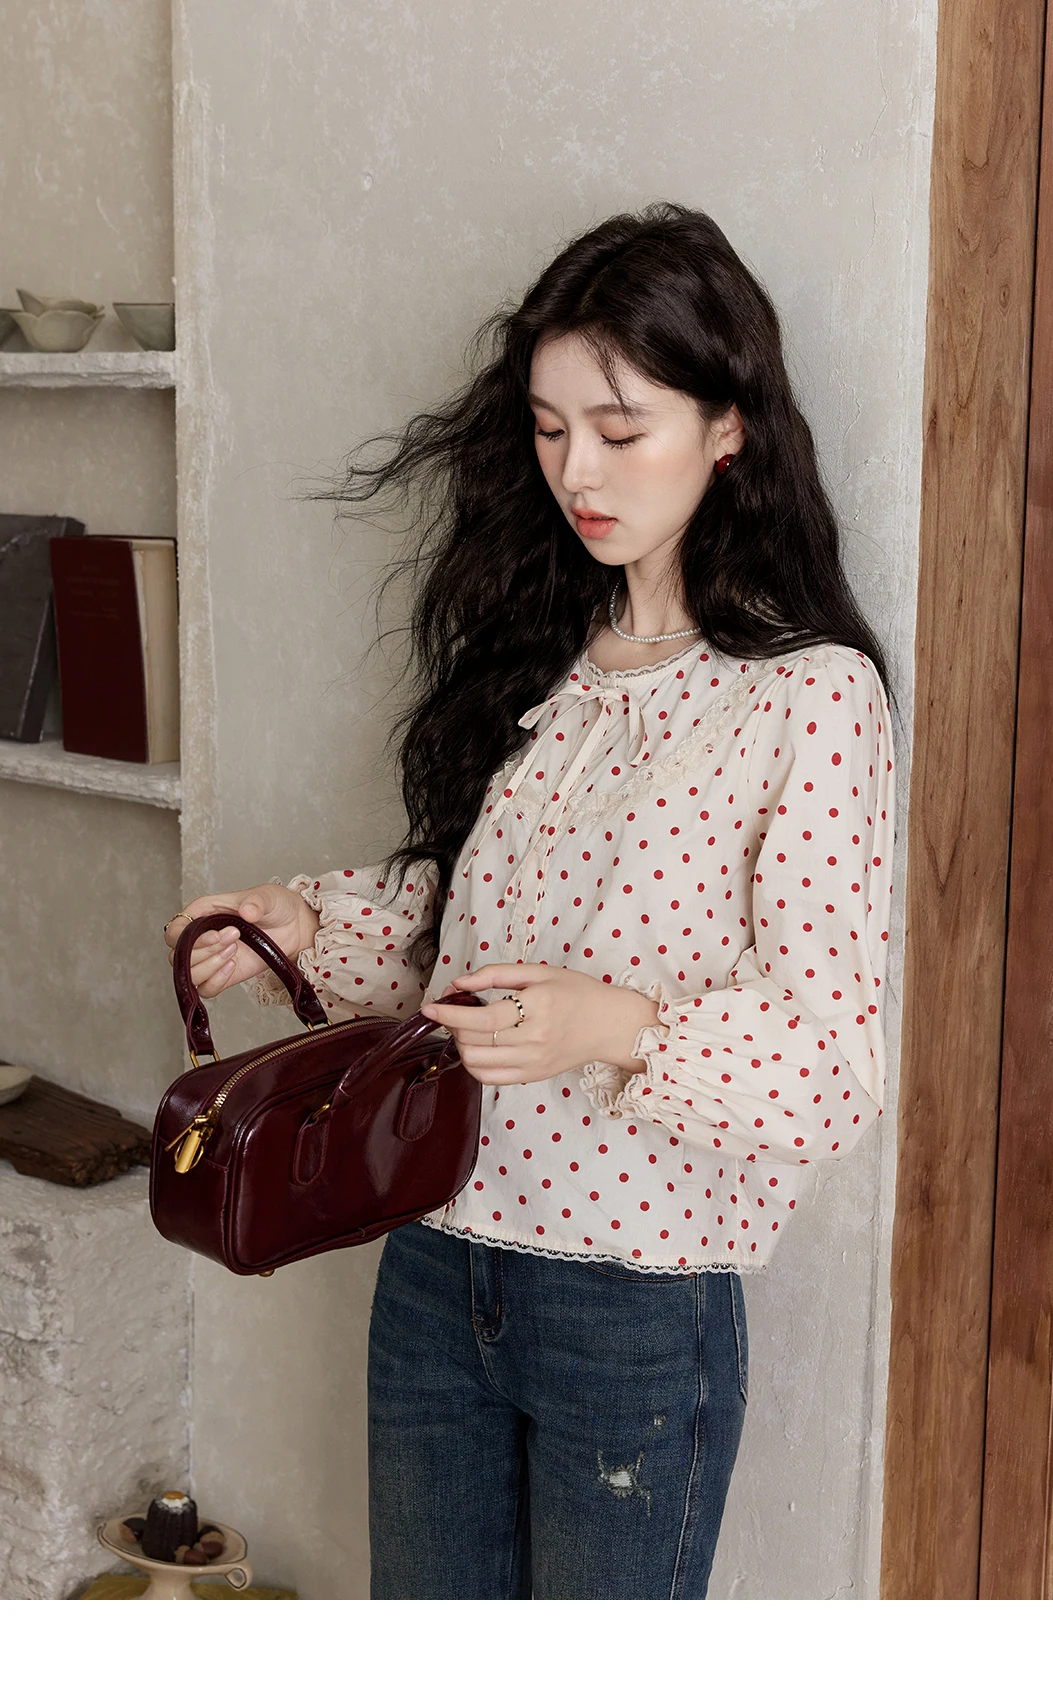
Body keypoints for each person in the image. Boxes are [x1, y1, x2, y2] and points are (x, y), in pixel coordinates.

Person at [163, 202, 896, 1600]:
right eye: (552, 429)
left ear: (728, 427)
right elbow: (470, 941)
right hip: (435, 1264)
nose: (578, 471)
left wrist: (614, 1025)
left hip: (633, 1306)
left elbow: (830, 1066)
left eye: (620, 429)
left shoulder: (806, 697)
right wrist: (304, 922)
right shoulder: (548, 654)